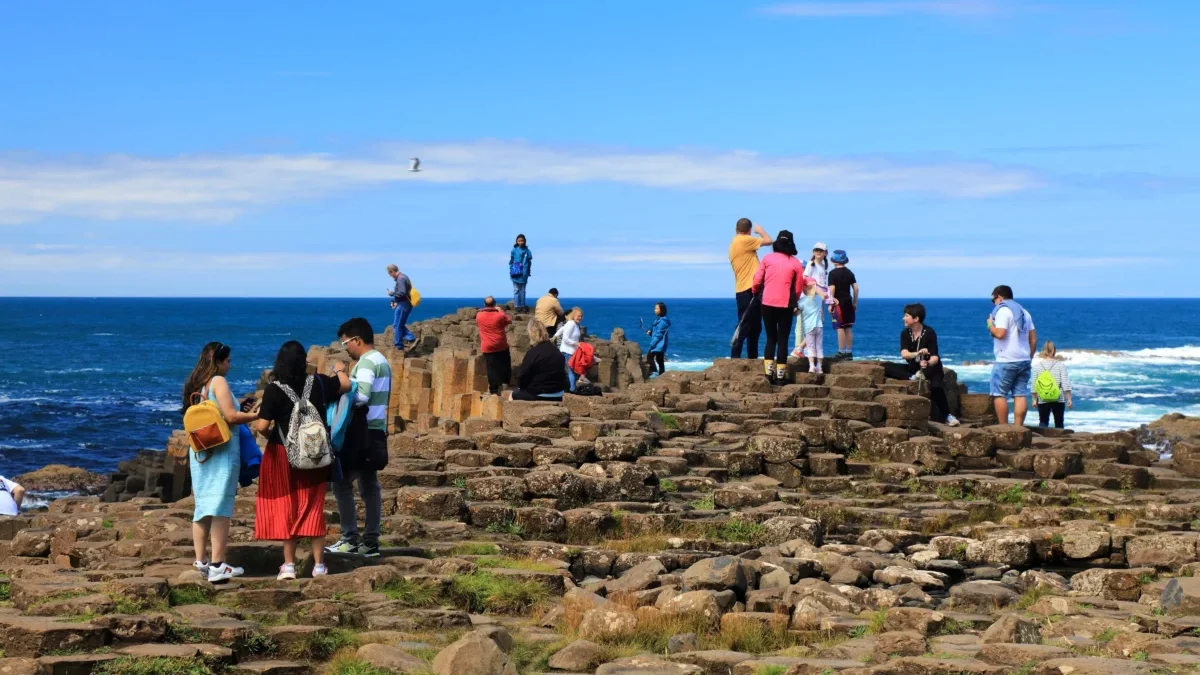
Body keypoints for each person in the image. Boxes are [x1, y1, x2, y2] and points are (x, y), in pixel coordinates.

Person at [254, 341, 350, 580]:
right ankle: (319, 565)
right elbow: (346, 385)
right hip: (315, 455)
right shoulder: (317, 382)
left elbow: (262, 426)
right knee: (312, 506)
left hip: (282, 455)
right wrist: (338, 371)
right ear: (304, 360)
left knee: (287, 506)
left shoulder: (274, 389)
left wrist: (273, 435)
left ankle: (288, 566)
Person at [182, 342, 258, 583]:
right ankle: (218, 564)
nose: (230, 365)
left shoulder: (196, 384)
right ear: (218, 362)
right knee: (221, 508)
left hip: (202, 453)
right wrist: (258, 415)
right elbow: (232, 417)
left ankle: (200, 562)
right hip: (223, 453)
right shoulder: (218, 382)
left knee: (203, 507)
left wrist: (240, 407)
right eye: (227, 361)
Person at [326, 318, 390, 558]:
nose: (346, 349)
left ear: (357, 340)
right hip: (377, 428)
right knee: (369, 485)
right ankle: (371, 541)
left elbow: (361, 397)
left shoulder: (366, 363)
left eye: (345, 345)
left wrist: (342, 376)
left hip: (362, 431)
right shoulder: (381, 360)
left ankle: (349, 538)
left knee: (341, 484)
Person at [751, 230, 820, 385]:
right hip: (786, 304)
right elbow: (797, 287)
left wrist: (755, 291)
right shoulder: (795, 263)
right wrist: (794, 300)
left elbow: (757, 280)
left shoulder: (767, 258)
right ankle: (781, 377)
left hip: (767, 302)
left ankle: (769, 375)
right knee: (782, 340)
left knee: (770, 338)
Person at [881, 303, 960, 427]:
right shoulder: (905, 333)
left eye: (906, 316)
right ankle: (912, 377)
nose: (903, 318)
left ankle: (948, 416)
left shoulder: (929, 332)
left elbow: (935, 356)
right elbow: (904, 354)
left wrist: (927, 362)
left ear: (916, 319)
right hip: (913, 368)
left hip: (931, 369)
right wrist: (917, 353)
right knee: (885, 366)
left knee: (936, 387)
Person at [987, 285, 1037, 426]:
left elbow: (1000, 333)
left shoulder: (1003, 311)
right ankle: (1018, 428)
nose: (994, 303)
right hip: (1024, 359)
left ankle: (1004, 428)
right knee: (1020, 394)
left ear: (1000, 297)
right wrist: (1029, 356)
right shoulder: (1024, 312)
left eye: (993, 300)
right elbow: (1033, 339)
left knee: (999, 394)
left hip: (1006, 360)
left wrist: (990, 325)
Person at [728, 218, 773, 359]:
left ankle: (751, 358)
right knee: (745, 325)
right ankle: (735, 358)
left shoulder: (737, 242)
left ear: (736, 229)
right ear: (749, 230)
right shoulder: (745, 240)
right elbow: (769, 240)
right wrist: (760, 231)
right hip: (748, 289)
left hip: (749, 289)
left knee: (755, 327)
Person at [511, 320, 571, 401]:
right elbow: (565, 373)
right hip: (558, 393)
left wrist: (522, 387)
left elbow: (523, 375)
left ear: (531, 334)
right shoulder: (557, 351)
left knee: (512, 395)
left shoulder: (533, 353)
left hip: (538, 394)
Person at [1032, 341, 1073, 429]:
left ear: (1043, 351)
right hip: (1058, 398)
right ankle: (1061, 441)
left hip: (1043, 398)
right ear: (1054, 351)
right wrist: (1069, 399)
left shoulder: (1037, 366)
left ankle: (1043, 441)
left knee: (1043, 422)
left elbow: (1034, 385)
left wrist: (1034, 399)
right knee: (1059, 423)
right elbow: (1065, 383)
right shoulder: (1060, 365)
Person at [476, 296, 513, 395]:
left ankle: (493, 390)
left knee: (491, 368)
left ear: (484, 304)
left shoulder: (479, 315)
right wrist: (500, 311)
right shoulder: (499, 315)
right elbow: (509, 320)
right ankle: (505, 383)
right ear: (495, 304)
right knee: (505, 364)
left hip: (487, 346)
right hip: (501, 344)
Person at [828, 250, 858, 359]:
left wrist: (830, 303)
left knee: (839, 328)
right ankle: (849, 352)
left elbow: (832, 288)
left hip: (838, 303)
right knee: (848, 327)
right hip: (849, 302)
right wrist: (855, 302)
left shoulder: (832, 273)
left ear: (834, 261)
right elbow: (856, 288)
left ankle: (841, 351)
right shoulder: (849, 272)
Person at [791, 284, 825, 374]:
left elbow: (796, 312)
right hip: (819, 326)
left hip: (809, 328)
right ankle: (820, 367)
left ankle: (812, 367)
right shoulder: (818, 299)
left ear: (804, 290)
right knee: (819, 347)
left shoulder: (802, 301)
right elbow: (825, 295)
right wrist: (815, 287)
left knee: (810, 347)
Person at [553, 307, 584, 392]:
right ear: (574, 315)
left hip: (573, 351)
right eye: (578, 316)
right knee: (572, 371)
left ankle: (571, 388)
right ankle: (572, 389)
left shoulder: (575, 324)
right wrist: (576, 343)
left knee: (575, 371)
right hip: (567, 351)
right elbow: (565, 338)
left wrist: (554, 336)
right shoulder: (571, 324)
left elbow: (562, 329)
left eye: (581, 316)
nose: (580, 318)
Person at [386, 264, 416, 349]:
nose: (390, 276)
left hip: (404, 304)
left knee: (398, 325)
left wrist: (391, 293)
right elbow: (404, 293)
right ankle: (410, 338)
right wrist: (396, 301)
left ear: (392, 271)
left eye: (389, 274)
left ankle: (399, 345)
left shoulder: (401, 279)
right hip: (403, 303)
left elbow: (402, 292)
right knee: (397, 324)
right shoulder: (404, 277)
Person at [644, 302, 670, 377]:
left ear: (661, 310)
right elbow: (656, 333)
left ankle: (654, 373)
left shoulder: (663, 322)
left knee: (649, 357)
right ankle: (661, 375)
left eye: (656, 308)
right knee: (660, 361)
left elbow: (659, 335)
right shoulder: (659, 320)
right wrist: (650, 333)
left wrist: (652, 343)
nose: (654, 310)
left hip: (659, 344)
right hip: (658, 344)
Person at [509, 235, 533, 311]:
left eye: (522, 241)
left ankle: (522, 305)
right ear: (516, 241)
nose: (520, 242)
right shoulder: (514, 250)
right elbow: (511, 260)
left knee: (523, 290)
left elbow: (529, 263)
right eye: (519, 241)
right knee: (516, 290)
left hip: (524, 272)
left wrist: (528, 271)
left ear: (524, 241)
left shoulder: (528, 251)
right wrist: (511, 269)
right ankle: (516, 306)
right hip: (515, 271)